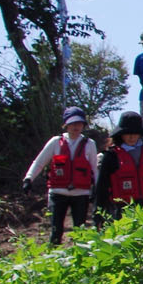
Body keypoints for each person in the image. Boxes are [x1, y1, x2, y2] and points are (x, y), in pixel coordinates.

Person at [23, 105, 99, 245]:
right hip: (58, 193)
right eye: (72, 123)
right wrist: (29, 178)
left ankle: (79, 261)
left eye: (79, 123)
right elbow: (39, 162)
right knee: (56, 231)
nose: (76, 126)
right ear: (66, 125)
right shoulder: (55, 142)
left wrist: (97, 189)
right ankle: (54, 259)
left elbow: (94, 168)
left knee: (80, 232)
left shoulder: (90, 144)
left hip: (80, 194)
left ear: (84, 125)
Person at [96, 110, 143, 222]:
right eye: (128, 133)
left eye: (135, 133)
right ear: (121, 134)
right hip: (122, 209)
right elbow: (101, 187)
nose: (131, 137)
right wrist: (98, 214)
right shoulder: (111, 155)